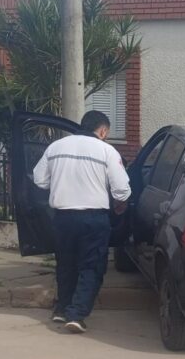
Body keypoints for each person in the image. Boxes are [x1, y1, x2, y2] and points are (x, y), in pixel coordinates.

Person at [33, 110, 131, 333]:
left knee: (66, 263)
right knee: (91, 266)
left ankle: (62, 309)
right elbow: (122, 190)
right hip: (93, 218)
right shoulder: (107, 151)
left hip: (62, 217)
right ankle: (76, 314)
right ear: (103, 130)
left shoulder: (56, 147)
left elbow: (39, 180)